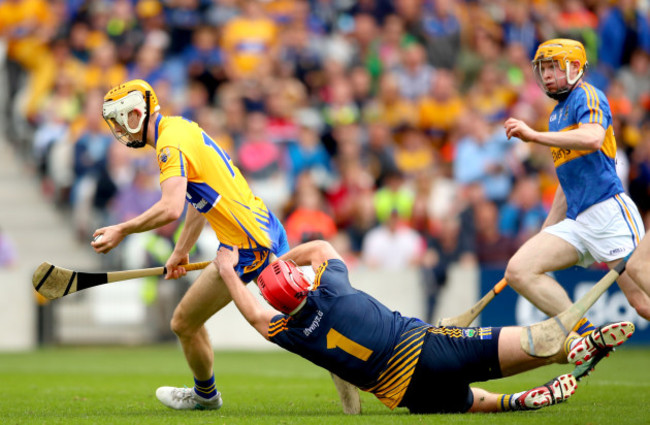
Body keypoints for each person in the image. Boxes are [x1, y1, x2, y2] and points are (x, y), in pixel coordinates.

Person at [213, 240, 635, 414]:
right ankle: (578, 344)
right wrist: (274, 260)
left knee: (471, 400)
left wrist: (226, 271)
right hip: (428, 347)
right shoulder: (332, 288)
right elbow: (322, 247)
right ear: (301, 280)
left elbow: (252, 313)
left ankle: (513, 402)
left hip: (405, 394)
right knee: (533, 340)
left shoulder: (287, 333)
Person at [91, 79, 292, 410]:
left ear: (136, 114)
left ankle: (206, 396)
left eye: (119, 120)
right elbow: (202, 202)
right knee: (304, 311)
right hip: (263, 225)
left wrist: (122, 230)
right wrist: (181, 250)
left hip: (244, 245)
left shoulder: (170, 146)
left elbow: (170, 208)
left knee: (184, 322)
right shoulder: (179, 128)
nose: (118, 130)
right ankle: (345, 355)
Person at [503, 39, 648, 379]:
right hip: (576, 220)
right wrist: (547, 232)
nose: (548, 75)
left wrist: (534, 137)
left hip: (610, 213)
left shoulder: (589, 95)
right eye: (543, 69)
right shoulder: (556, 115)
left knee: (642, 302)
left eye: (554, 67)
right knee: (519, 270)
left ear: (574, 67)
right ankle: (585, 336)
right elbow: (567, 184)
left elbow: (593, 139)